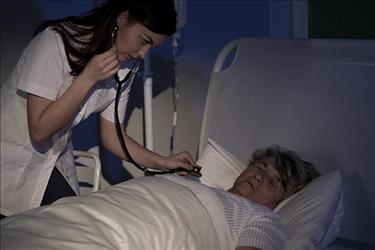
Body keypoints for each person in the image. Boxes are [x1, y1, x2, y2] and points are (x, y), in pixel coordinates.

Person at [0, 0, 196, 219]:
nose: (143, 53)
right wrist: (87, 79)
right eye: (144, 41)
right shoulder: (54, 41)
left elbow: (113, 137)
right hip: (10, 158)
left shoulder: (126, 65)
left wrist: (163, 162)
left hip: (51, 162)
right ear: (122, 18)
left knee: (73, 228)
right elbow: (39, 130)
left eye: (152, 48)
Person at [1, 145, 321, 250]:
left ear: (280, 201)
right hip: (79, 216)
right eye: (260, 166)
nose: (261, 175)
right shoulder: (190, 180)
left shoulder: (265, 219)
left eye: (275, 181)